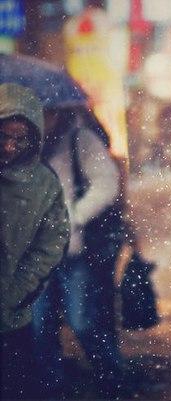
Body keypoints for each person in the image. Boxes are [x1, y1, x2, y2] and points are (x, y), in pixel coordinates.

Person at [31, 106, 125, 398]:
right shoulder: (21, 146)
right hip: (35, 257)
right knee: (40, 328)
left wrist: (73, 216)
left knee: (84, 322)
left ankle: (113, 383)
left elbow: (107, 184)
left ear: (58, 113)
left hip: (74, 254)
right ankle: (54, 390)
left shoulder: (78, 139)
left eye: (48, 114)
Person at [0, 83, 70, 399]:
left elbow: (51, 243)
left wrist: (16, 291)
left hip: (12, 320)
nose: (10, 147)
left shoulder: (42, 184)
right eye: (4, 136)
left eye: (20, 139)